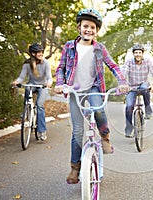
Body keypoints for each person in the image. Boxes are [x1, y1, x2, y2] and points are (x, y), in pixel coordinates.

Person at [54, 8, 129, 184]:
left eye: (93, 27)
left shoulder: (99, 49)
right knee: (78, 131)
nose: (89, 30)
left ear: (96, 31)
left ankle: (104, 137)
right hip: (75, 90)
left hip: (94, 88)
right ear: (79, 27)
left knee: (99, 112)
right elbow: (61, 68)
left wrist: (122, 81)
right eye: (86, 26)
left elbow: (113, 66)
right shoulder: (69, 47)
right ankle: (75, 167)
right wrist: (59, 84)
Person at [12, 43, 53, 141]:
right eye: (38, 52)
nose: (41, 53)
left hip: (42, 85)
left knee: (39, 105)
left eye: (41, 51)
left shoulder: (45, 63)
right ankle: (26, 110)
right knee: (27, 88)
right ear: (33, 54)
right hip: (32, 84)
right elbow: (22, 77)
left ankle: (42, 131)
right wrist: (16, 82)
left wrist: (48, 83)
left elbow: (49, 77)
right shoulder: (27, 64)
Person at [121, 44, 153, 138]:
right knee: (129, 107)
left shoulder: (147, 62)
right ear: (133, 54)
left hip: (143, 84)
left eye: (140, 52)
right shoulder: (129, 62)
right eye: (136, 52)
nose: (138, 54)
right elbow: (124, 72)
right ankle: (129, 127)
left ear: (142, 54)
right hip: (132, 87)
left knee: (145, 87)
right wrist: (123, 84)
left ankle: (148, 109)